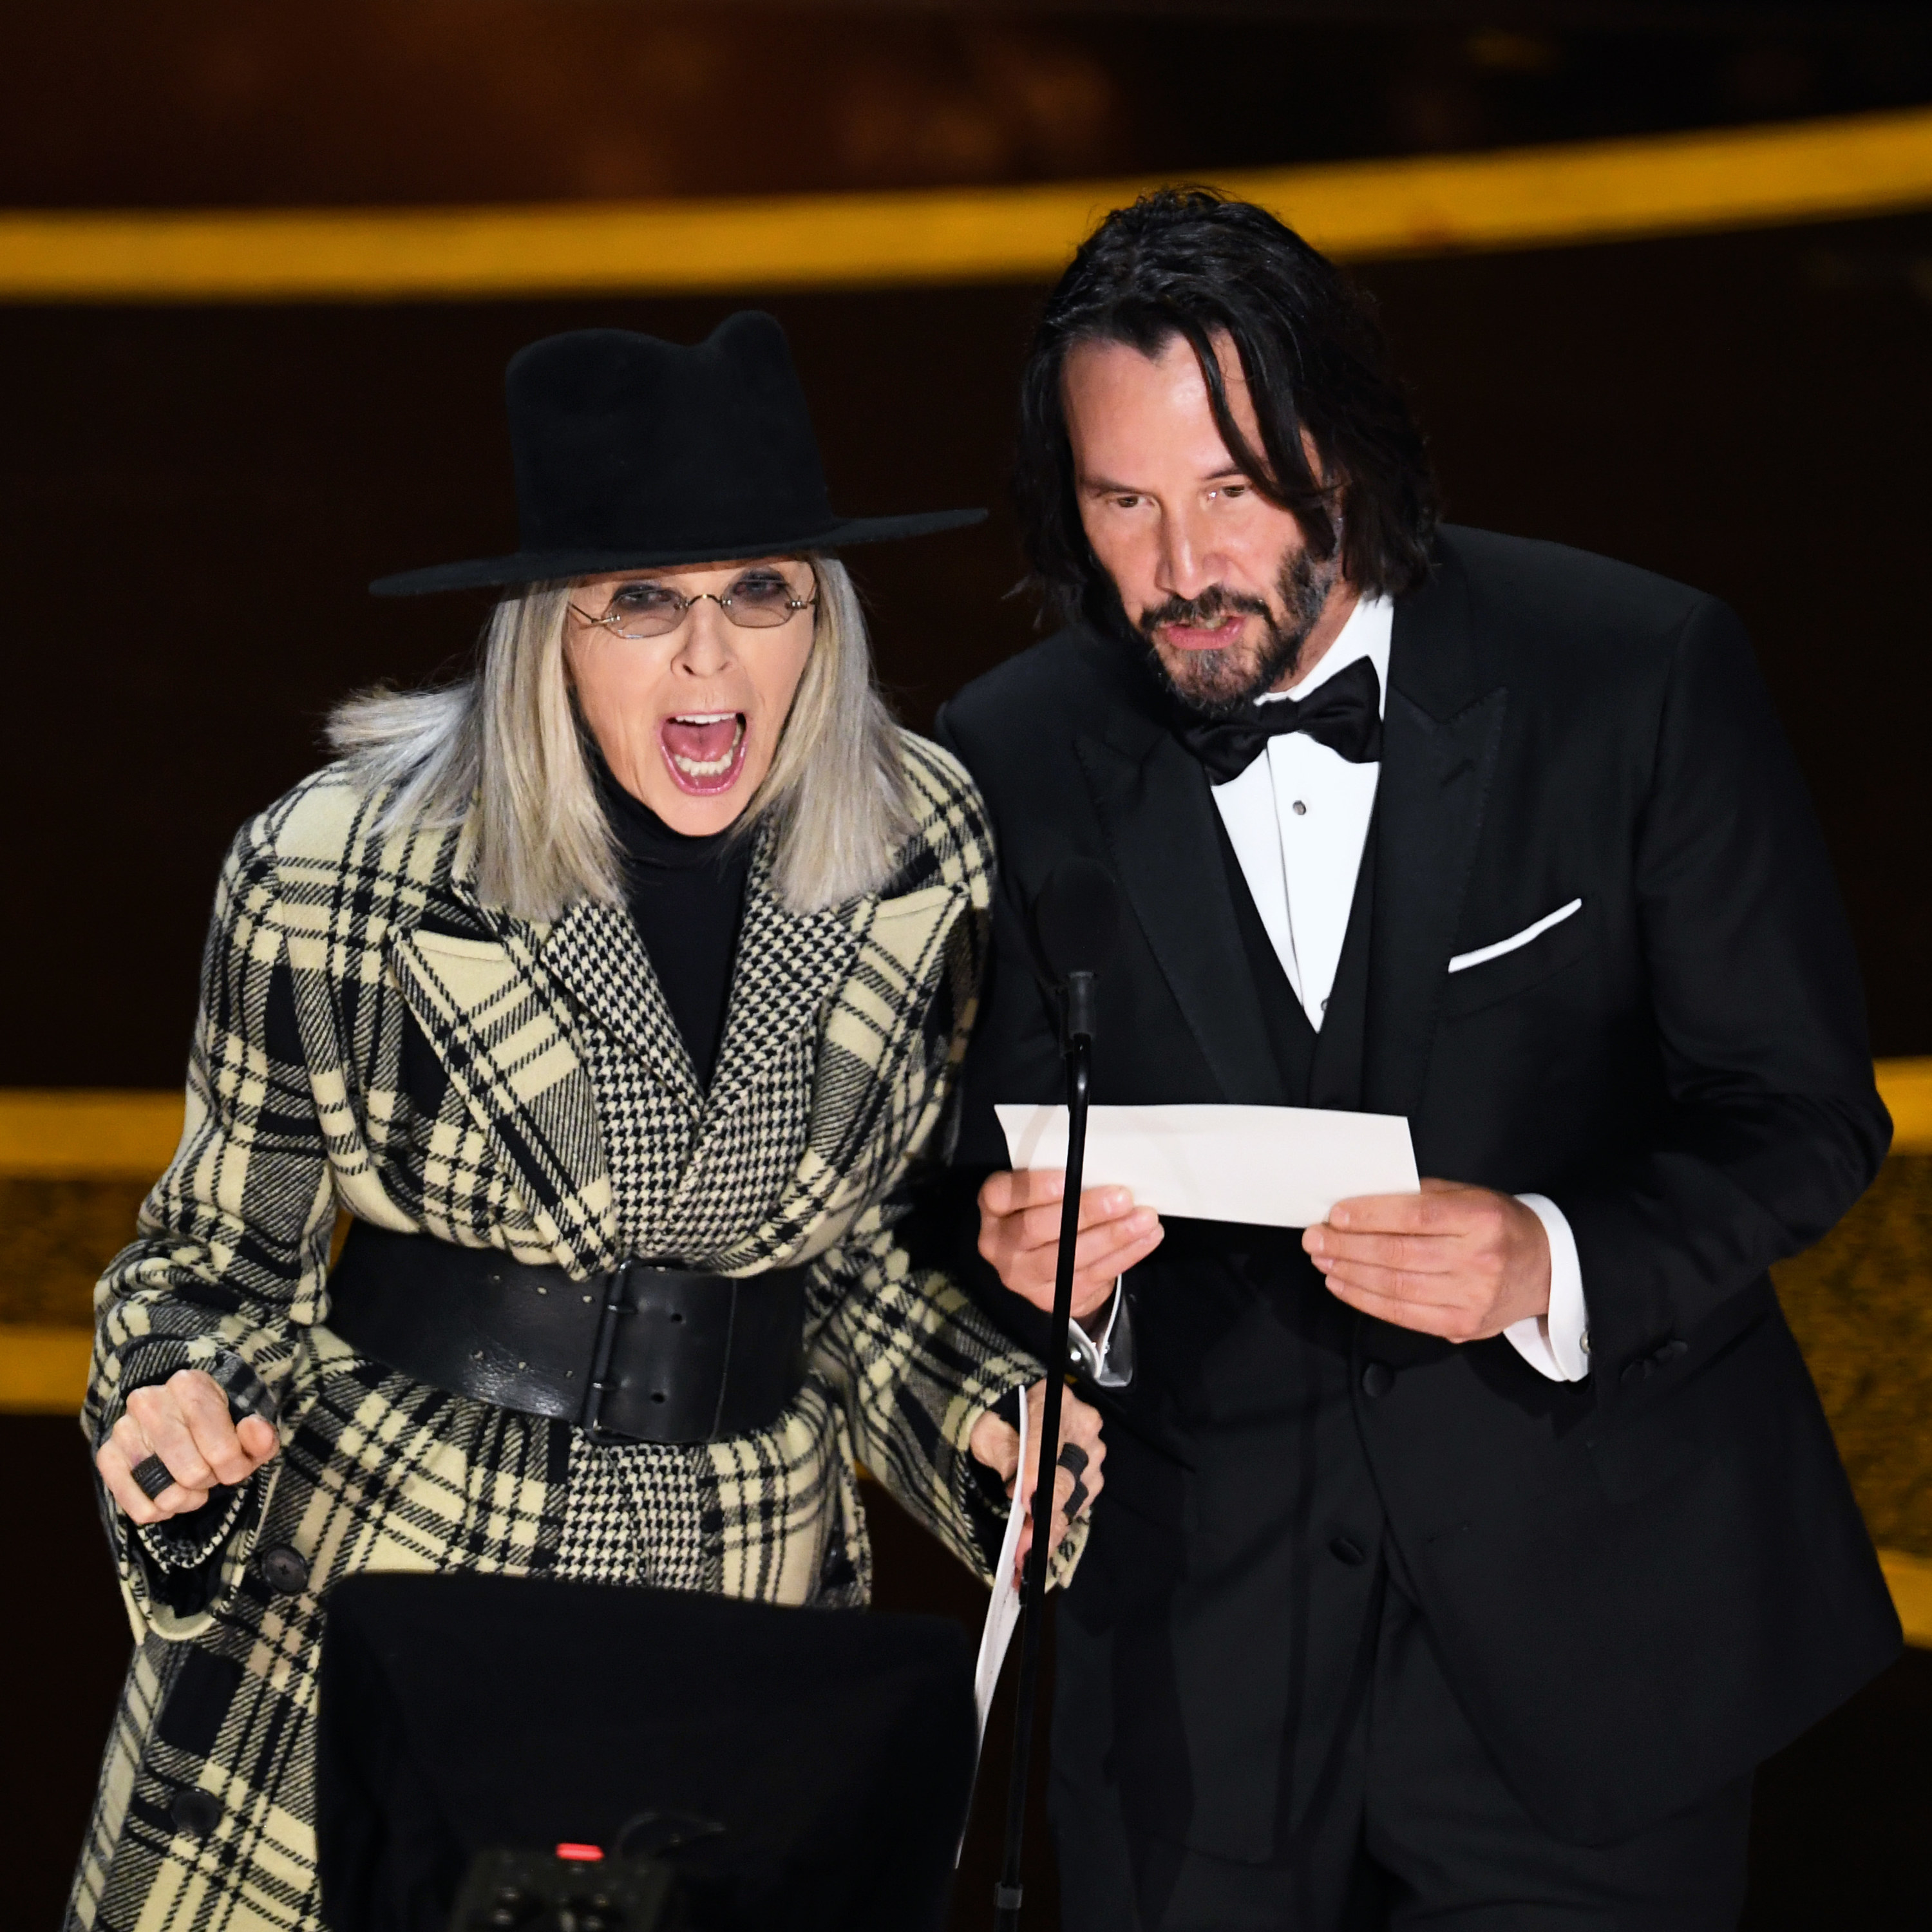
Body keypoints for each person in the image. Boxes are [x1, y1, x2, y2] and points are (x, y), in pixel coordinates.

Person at [933, 191, 1900, 1929]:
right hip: (1193, 1694)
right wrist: (1034, 1267)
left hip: (1595, 1656)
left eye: (1229, 492)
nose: (1175, 570)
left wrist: (1554, 1253)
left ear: (1344, 454)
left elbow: (1803, 1113)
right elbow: (963, 1171)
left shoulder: (1635, 673)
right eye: (1121, 505)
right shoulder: (1007, 752)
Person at [70, 312, 1103, 1932]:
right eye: (645, 603)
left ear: (818, 619)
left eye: (762, 592)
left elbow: (849, 1269)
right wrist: (177, 1410)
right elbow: (211, 1264)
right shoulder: (341, 865)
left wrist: (980, 1413)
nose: (712, 657)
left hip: (739, 1617)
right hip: (403, 1593)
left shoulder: (922, 847)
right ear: (550, 633)